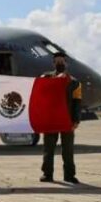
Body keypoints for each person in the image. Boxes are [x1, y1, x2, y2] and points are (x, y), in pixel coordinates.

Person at [40, 52, 82, 184]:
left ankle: (69, 175)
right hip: (50, 119)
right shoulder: (45, 78)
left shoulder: (74, 82)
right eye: (57, 61)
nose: (59, 63)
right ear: (53, 63)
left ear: (66, 63)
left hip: (67, 119)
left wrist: (76, 120)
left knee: (68, 150)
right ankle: (47, 174)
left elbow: (77, 102)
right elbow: (39, 96)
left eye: (62, 61)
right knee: (48, 149)